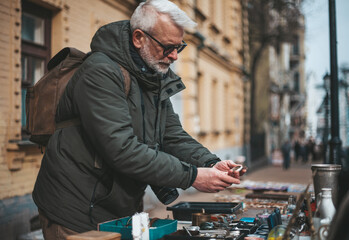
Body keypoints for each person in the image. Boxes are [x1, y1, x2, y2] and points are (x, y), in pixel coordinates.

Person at [32, 0, 246, 239]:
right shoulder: (100, 72)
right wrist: (193, 176)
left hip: (119, 207)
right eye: (167, 47)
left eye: (179, 46)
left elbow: (172, 136)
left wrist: (209, 164)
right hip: (75, 210)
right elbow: (121, 149)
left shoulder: (152, 74)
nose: (174, 56)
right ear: (138, 38)